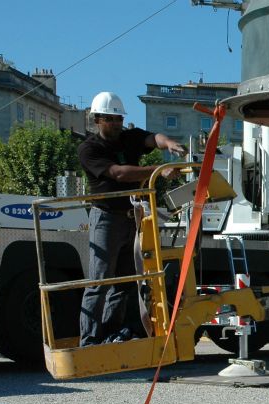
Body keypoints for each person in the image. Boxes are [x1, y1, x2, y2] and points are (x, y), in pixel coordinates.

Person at [77, 91, 187, 346]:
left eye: (118, 118)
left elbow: (153, 138)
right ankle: (89, 340)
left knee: (124, 282)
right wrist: (158, 170)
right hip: (105, 219)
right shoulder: (89, 149)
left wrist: (169, 143)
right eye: (110, 119)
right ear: (97, 120)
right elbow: (118, 173)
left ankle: (110, 335)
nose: (116, 123)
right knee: (100, 281)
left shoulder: (129, 138)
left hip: (131, 218)